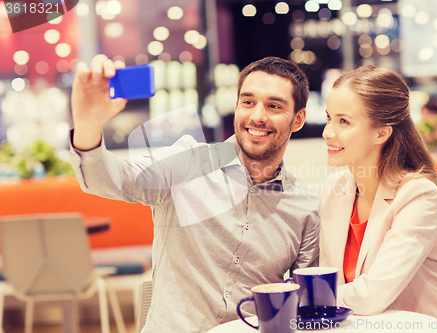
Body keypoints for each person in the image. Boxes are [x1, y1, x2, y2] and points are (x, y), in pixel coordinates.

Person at [68, 55, 320, 333]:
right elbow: (108, 179)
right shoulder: (186, 163)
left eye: (274, 106)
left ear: (298, 119)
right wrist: (88, 124)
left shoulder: (304, 207)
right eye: (248, 102)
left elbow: (309, 306)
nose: (257, 116)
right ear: (236, 106)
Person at [319, 65, 437, 333]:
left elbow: (372, 295)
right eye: (329, 118)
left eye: (344, 121)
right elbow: (323, 281)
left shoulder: (417, 195)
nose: (328, 132)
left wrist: (308, 300)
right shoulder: (333, 189)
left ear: (381, 133)